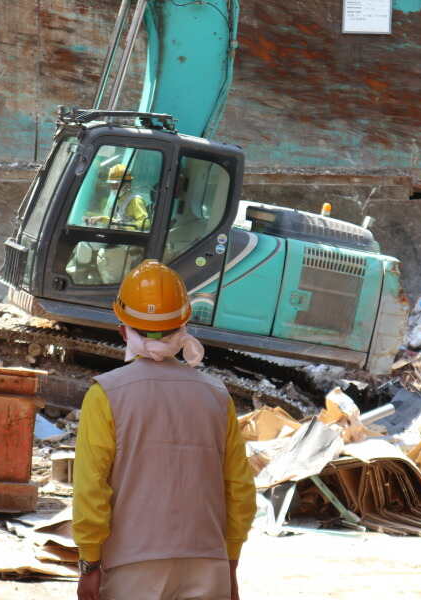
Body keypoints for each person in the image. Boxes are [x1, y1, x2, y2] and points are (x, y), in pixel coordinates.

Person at [73, 259, 256, 600]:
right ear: (183, 326)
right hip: (207, 561)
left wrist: (89, 563)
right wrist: (229, 564)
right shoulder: (217, 395)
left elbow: (90, 489)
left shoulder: (106, 394)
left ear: (123, 330)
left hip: (131, 566)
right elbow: (240, 489)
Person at [84, 163, 151, 231]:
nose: (112, 187)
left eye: (115, 184)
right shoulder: (120, 199)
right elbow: (118, 222)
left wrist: (125, 227)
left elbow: (146, 223)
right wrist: (101, 219)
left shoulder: (135, 200)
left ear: (127, 185)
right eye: (111, 184)